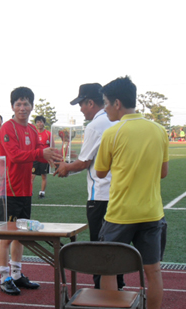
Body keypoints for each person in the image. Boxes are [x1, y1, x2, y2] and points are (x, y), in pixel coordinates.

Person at [85, 76, 169, 309]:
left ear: (117, 103)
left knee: (109, 270)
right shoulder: (159, 130)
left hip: (120, 214)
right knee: (153, 271)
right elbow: (163, 172)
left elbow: (100, 172)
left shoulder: (112, 132)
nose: (105, 109)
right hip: (152, 213)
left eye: (106, 104)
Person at [56, 82, 124, 291]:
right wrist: (72, 162)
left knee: (99, 248)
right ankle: (118, 287)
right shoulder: (117, 120)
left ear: (91, 103)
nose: (81, 109)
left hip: (100, 196)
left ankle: (102, 292)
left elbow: (84, 163)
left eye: (81, 104)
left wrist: (65, 167)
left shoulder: (96, 125)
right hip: (120, 194)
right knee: (116, 246)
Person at [0, 87, 62, 295]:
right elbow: (15, 156)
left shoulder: (33, 130)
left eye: (26, 104)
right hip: (9, 190)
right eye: (18, 104)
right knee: (7, 236)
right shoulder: (7, 128)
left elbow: (39, 153)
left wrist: (57, 157)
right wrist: (40, 153)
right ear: (12, 107)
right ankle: (4, 277)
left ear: (32, 106)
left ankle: (16, 274)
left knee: (21, 234)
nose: (22, 108)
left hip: (25, 190)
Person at [31, 115, 52, 198]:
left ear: (44, 123)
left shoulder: (48, 134)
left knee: (44, 176)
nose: (39, 124)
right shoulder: (33, 133)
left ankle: (42, 192)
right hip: (35, 158)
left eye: (41, 122)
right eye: (38, 122)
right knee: (32, 176)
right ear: (36, 123)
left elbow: (52, 146)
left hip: (44, 159)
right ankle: (30, 192)